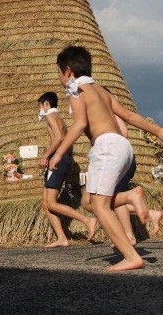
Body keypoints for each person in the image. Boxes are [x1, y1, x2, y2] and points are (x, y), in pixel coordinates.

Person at [49, 46, 163, 271]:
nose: (60, 78)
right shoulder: (101, 90)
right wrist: (158, 130)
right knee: (88, 202)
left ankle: (131, 256)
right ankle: (130, 196)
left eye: (58, 72)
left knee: (100, 205)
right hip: (122, 146)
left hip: (106, 147)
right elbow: (129, 116)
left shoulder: (75, 89)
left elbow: (80, 124)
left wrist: (58, 152)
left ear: (67, 71)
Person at [82, 88, 163, 246]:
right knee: (89, 201)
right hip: (114, 156)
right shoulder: (103, 112)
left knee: (101, 199)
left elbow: (124, 133)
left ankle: (128, 235)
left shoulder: (110, 112)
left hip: (115, 156)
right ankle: (150, 215)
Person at [37, 91, 98, 248]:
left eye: (40, 106)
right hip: (62, 158)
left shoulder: (51, 115)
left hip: (58, 158)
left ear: (46, 104)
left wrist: (46, 156)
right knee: (45, 202)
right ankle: (62, 238)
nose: (40, 110)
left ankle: (87, 221)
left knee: (50, 202)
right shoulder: (59, 118)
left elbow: (59, 138)